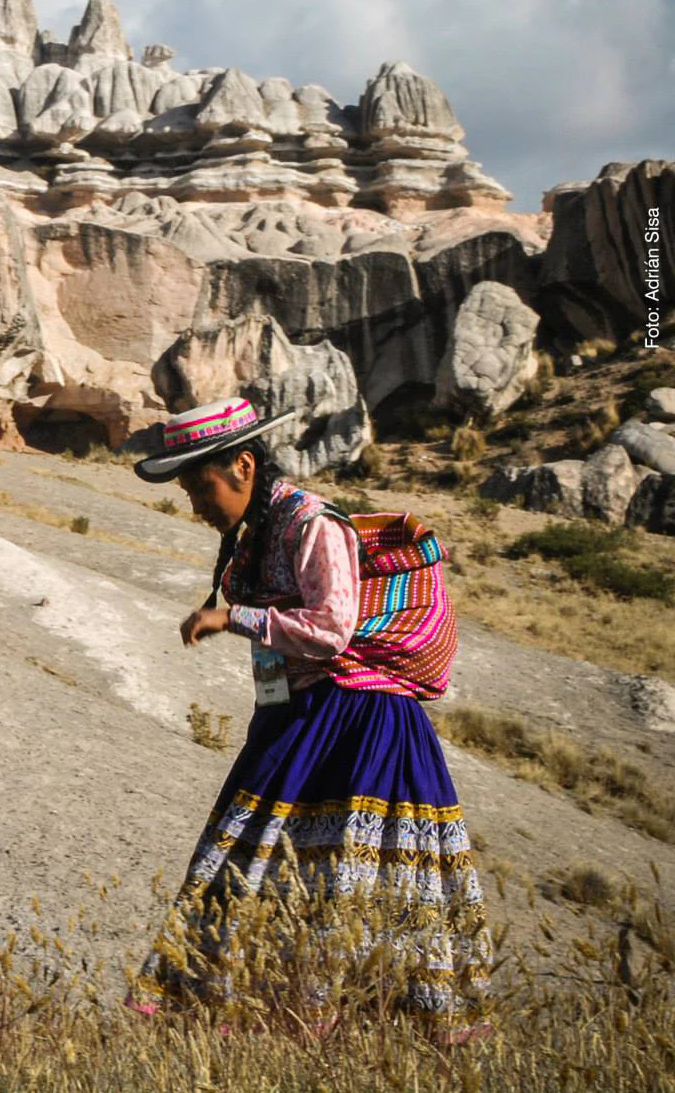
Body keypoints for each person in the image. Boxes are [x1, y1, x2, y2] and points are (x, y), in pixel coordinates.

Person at [123, 396, 492, 1039]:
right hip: (306, 717)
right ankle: (264, 1019)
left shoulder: (315, 524)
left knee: (344, 877)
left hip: (358, 721)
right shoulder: (261, 532)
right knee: (259, 862)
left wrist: (230, 617)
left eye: (201, 487)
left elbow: (328, 629)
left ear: (242, 466)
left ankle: (359, 1026)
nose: (197, 505)